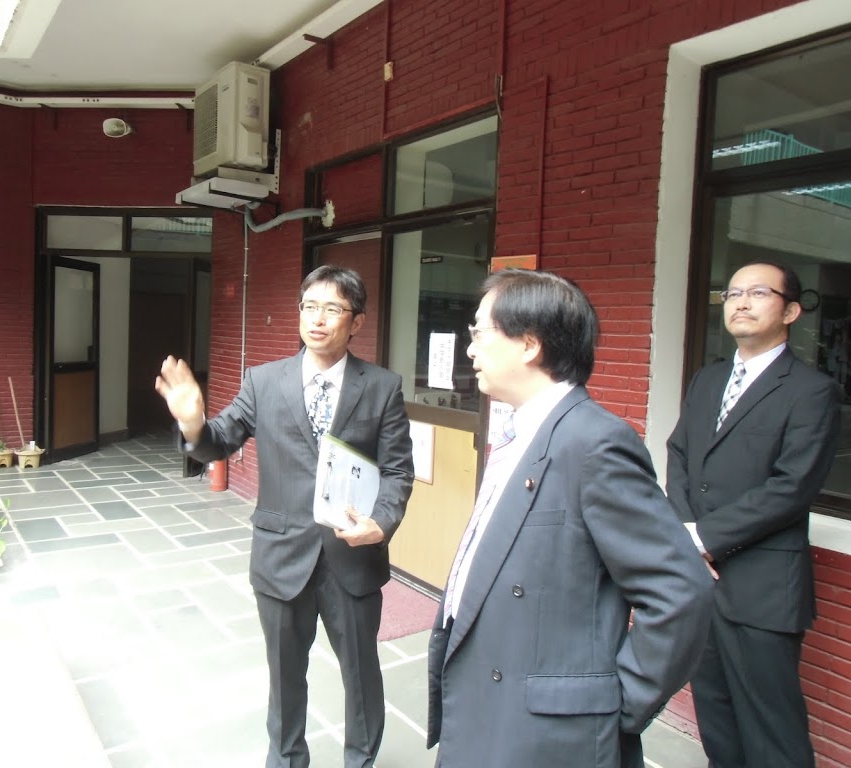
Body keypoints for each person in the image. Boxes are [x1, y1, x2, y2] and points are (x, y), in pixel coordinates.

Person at [426, 269, 713, 768]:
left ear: (529, 345)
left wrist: (615, 706)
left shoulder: (593, 443)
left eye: (480, 331)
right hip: (491, 698)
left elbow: (681, 591)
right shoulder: (523, 432)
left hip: (546, 732)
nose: (470, 349)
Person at [156, 265, 414, 768]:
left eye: (332, 309)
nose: (318, 319)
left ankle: (361, 761)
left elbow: (398, 471)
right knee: (285, 677)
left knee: (361, 676)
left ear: (357, 322)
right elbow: (218, 441)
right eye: (309, 306)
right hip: (280, 555)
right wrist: (193, 422)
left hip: (351, 557)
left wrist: (381, 523)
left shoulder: (382, 387)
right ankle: (287, 759)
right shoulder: (264, 381)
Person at [666, 261, 842, 768]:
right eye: (733, 293)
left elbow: (793, 487)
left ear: (790, 311)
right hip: (702, 584)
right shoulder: (707, 380)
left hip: (762, 588)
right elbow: (679, 455)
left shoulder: (811, 390)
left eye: (758, 293)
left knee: (772, 733)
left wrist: (701, 539)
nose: (740, 302)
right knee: (717, 723)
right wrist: (684, 534)